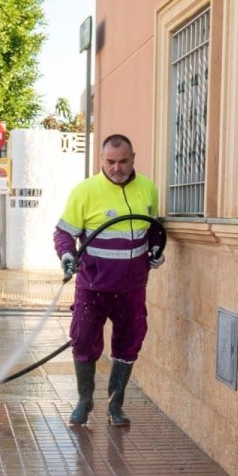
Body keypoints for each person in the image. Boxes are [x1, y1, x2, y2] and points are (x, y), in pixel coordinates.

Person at [54, 134, 166, 427]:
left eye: (123, 161)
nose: (117, 168)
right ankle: (84, 401)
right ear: (102, 160)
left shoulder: (148, 189)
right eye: (110, 162)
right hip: (93, 288)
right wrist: (67, 256)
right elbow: (63, 233)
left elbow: (154, 228)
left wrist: (156, 247)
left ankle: (115, 405)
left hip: (132, 288)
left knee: (129, 343)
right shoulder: (85, 191)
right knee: (83, 341)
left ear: (134, 158)